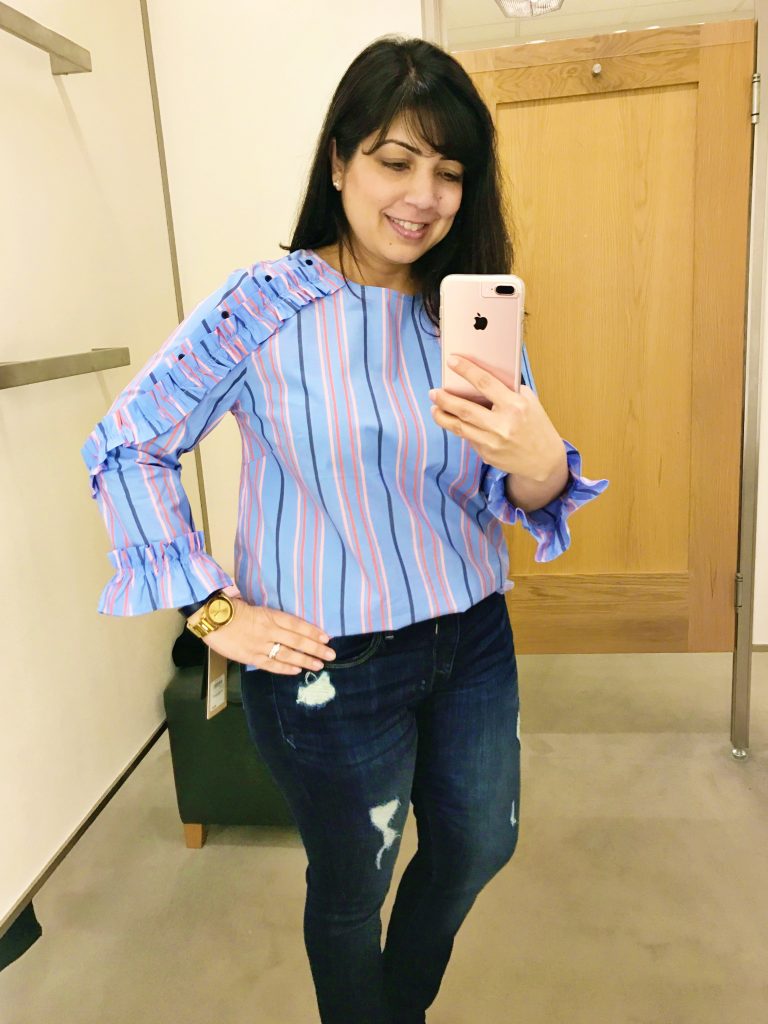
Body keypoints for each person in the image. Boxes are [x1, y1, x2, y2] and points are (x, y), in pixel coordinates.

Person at [82, 35, 608, 1024]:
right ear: (339, 162)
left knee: (479, 843)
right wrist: (212, 611)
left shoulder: (466, 316)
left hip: (473, 639)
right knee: (352, 886)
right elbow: (127, 443)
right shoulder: (262, 306)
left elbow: (521, 490)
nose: (424, 195)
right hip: (330, 666)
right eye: (395, 160)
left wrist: (542, 459)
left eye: (450, 172)